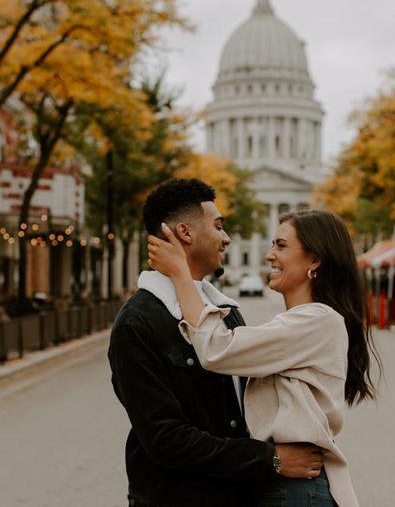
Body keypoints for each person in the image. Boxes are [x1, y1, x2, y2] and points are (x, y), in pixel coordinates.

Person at [108, 178, 324, 507]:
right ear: (185, 233)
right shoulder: (138, 322)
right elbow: (165, 439)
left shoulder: (225, 313)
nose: (227, 238)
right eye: (218, 226)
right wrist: (271, 461)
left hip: (238, 496)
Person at [148, 209, 380, 507]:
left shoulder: (317, 321)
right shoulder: (302, 322)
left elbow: (217, 349)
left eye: (281, 246)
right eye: (272, 245)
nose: (269, 255)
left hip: (294, 489)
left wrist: (180, 274)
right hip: (284, 483)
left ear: (314, 259)